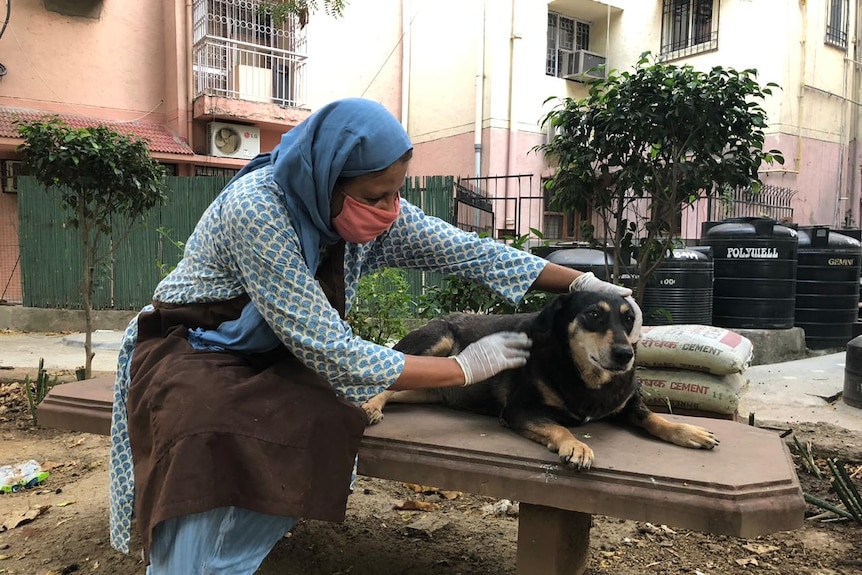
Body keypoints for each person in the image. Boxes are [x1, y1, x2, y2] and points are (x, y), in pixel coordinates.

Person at [108, 97, 641, 574]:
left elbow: (474, 252)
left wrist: (584, 282)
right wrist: (464, 368)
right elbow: (333, 351)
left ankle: (225, 562)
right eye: (377, 196)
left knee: (332, 419)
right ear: (327, 178)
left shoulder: (375, 213)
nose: (391, 211)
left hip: (278, 353)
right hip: (195, 343)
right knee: (202, 430)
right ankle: (184, 566)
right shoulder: (260, 210)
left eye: (397, 194)